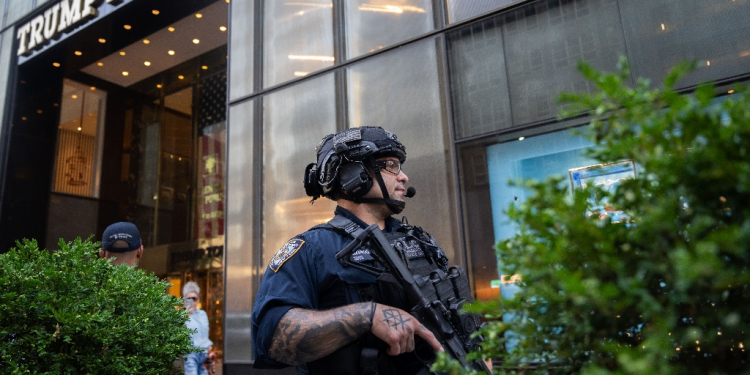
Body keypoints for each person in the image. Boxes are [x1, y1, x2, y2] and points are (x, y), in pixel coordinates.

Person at [252, 127, 456, 375]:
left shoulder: (421, 243)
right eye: (390, 165)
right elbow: (271, 339)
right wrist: (367, 316)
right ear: (353, 175)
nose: (404, 177)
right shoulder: (311, 249)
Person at [183, 281, 214, 375]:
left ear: (198, 300)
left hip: (204, 354)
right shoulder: (182, 315)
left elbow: (205, 332)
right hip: (191, 354)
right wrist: (185, 315)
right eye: (189, 298)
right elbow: (177, 333)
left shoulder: (203, 314)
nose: (192, 301)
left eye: (194, 298)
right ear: (184, 300)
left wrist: (208, 345)